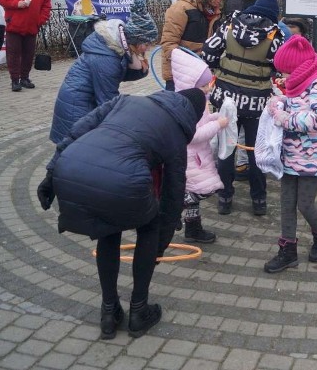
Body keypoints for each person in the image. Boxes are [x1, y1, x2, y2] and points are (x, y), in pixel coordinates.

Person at [37, 88, 206, 339]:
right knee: (150, 226)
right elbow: (173, 195)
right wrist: (160, 245)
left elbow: (76, 131)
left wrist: (50, 177)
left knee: (108, 228)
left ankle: (109, 312)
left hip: (74, 167)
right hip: (122, 179)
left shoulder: (124, 100)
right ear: (193, 116)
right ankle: (139, 311)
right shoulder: (175, 133)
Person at [263, 35, 317, 272]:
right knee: (287, 202)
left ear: (298, 68)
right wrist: (280, 101)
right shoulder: (301, 80)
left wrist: (286, 118)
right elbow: (298, 101)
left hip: (313, 157)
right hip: (290, 153)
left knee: (305, 203)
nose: (285, 77)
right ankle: (287, 250)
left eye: (287, 72)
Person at [203, 0, 283, 216]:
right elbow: (280, 65)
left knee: (226, 149)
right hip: (256, 103)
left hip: (226, 99)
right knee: (255, 150)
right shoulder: (274, 35)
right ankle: (259, 200)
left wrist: (221, 68)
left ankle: (225, 197)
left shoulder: (229, 26)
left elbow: (208, 53)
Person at [49, 0, 157, 143]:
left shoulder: (115, 45)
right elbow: (107, 101)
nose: (149, 47)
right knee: (79, 154)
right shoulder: (107, 57)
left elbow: (116, 74)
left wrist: (139, 68)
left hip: (83, 101)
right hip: (77, 106)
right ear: (136, 40)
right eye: (147, 43)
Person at [170, 49, 228, 244]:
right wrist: (217, 125)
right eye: (203, 85)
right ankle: (172, 213)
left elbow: (201, 123)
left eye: (208, 84)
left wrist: (213, 117)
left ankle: (192, 228)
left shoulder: (196, 100)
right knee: (196, 191)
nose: (207, 89)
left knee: (195, 192)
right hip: (189, 156)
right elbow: (193, 134)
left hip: (197, 156)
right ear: (190, 85)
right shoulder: (186, 104)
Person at [161, 0, 227, 91]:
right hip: (178, 76)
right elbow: (168, 44)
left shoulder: (213, 12)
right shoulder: (180, 9)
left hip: (199, 73)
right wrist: (189, 64)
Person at [0, 0, 52, 91]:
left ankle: (25, 78)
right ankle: (15, 80)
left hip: (32, 26)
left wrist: (40, 20)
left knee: (28, 54)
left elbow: (46, 4)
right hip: (13, 25)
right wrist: (16, 3)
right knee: (13, 54)